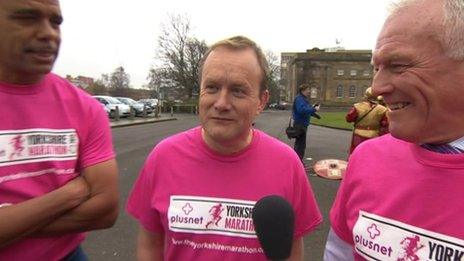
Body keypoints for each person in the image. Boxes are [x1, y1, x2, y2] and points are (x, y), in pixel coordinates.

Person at [127, 36, 322, 260]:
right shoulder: (163, 157)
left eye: (238, 90)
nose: (221, 103)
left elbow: (291, 255)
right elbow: (150, 248)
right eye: (211, 87)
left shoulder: (287, 164)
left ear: (261, 101)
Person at [324, 0, 464, 260]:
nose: (377, 88)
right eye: (376, 68)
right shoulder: (366, 159)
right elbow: (338, 252)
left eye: (398, 65)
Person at [0, 0, 119, 260]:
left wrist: (13, 223)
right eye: (27, 17)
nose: (49, 33)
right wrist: (70, 193)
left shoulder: (86, 108)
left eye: (56, 22)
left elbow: (105, 210)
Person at [345, 87, 388, 154]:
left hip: (358, 133)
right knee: (371, 153)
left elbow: (349, 118)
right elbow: (385, 123)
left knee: (357, 152)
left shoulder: (358, 106)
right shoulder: (382, 109)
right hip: (374, 134)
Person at [292, 84, 320, 164]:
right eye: (307, 90)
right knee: (300, 145)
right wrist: (313, 109)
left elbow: (307, 109)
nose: (309, 91)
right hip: (300, 124)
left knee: (300, 144)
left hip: (302, 124)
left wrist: (315, 113)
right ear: (303, 90)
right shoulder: (299, 99)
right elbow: (301, 110)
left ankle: (297, 161)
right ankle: (297, 162)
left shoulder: (303, 99)